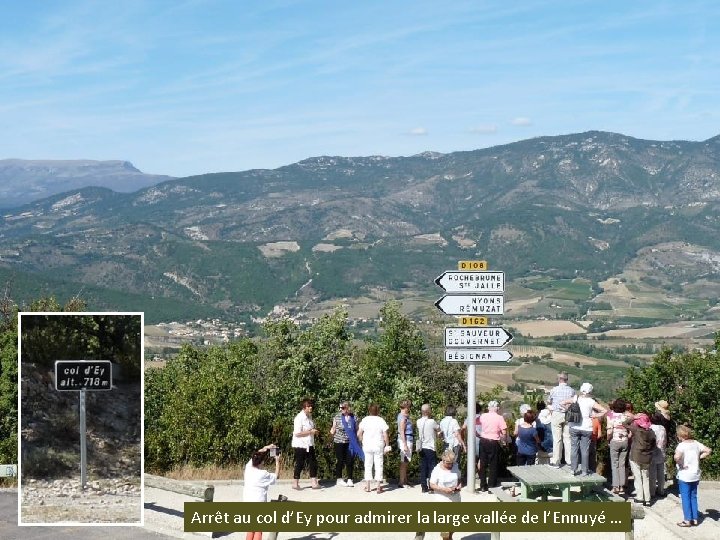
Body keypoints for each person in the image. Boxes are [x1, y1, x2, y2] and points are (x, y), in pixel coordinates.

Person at [562, 382, 606, 476]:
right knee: (585, 450)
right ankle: (585, 471)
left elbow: (562, 403)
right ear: (590, 391)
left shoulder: (575, 398)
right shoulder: (591, 401)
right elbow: (604, 411)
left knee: (574, 448)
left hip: (574, 426)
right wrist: (594, 415)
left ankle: (573, 469)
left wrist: (568, 410)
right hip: (587, 428)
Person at [674, 425, 712, 527]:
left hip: (685, 474)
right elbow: (708, 450)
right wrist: (699, 457)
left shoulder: (681, 446)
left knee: (685, 497)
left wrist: (680, 463)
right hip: (695, 474)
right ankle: (695, 519)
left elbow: (677, 457)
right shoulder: (696, 443)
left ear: (679, 435)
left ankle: (687, 520)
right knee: (693, 496)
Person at [243, 443, 281, 540]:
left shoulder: (248, 468)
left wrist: (266, 448)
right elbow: (276, 476)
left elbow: (257, 454)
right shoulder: (263, 474)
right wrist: (277, 461)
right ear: (260, 463)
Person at [429, 450, 462, 540]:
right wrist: (444, 489)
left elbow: (459, 478)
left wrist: (459, 485)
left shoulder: (455, 466)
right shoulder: (437, 469)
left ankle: (450, 537)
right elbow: (431, 484)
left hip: (455, 497)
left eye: (451, 463)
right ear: (443, 460)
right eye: (448, 463)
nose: (450, 465)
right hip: (442, 498)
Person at [358, 403, 390, 493]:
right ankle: (378, 487)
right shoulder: (381, 420)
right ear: (378, 411)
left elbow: (359, 433)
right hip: (378, 445)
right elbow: (385, 434)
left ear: (369, 410)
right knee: (378, 464)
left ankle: (368, 486)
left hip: (367, 445)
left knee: (367, 465)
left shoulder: (365, 420)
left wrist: (362, 441)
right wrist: (387, 445)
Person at [330, 401, 362, 487]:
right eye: (340, 408)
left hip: (350, 442)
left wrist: (359, 439)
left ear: (348, 408)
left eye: (343, 408)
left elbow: (357, 429)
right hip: (339, 441)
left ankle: (350, 479)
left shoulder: (354, 417)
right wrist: (332, 431)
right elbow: (333, 427)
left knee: (350, 460)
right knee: (340, 460)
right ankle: (339, 479)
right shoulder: (337, 417)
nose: (341, 410)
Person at [477, 400, 507, 492]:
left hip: (483, 440)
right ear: (497, 408)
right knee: (493, 464)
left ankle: (482, 485)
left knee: (483, 463)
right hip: (493, 441)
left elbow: (478, 424)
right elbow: (504, 431)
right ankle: (491, 486)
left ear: (489, 408)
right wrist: (504, 441)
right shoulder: (500, 418)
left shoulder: (483, 416)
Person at [547, 371, 575, 467]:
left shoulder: (554, 390)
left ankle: (556, 461)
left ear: (559, 379)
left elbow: (549, 402)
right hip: (568, 415)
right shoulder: (571, 391)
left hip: (557, 414)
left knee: (557, 439)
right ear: (567, 379)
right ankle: (570, 461)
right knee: (567, 438)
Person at [628, 412, 656, 506]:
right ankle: (647, 499)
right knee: (646, 477)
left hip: (636, 456)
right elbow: (654, 446)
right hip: (647, 457)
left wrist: (633, 417)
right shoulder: (652, 432)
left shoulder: (636, 430)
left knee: (637, 477)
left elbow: (624, 424)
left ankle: (640, 497)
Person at [291, 398, 320, 490]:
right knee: (300, 463)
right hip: (301, 444)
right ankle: (295, 483)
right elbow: (297, 433)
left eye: (311, 406)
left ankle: (314, 482)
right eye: (308, 406)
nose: (310, 407)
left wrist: (313, 432)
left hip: (309, 443)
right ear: (304, 407)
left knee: (313, 463)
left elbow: (310, 430)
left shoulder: (309, 417)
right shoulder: (299, 418)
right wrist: (310, 432)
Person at [606, 398, 630, 495]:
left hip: (615, 440)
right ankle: (622, 486)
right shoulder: (626, 416)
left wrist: (608, 439)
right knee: (622, 464)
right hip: (625, 441)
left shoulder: (611, 416)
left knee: (614, 464)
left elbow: (609, 431)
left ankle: (615, 486)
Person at [416, 403, 441, 493]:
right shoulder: (432, 422)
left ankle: (423, 487)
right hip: (430, 447)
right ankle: (431, 487)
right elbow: (438, 430)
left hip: (422, 447)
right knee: (432, 468)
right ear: (428, 411)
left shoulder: (418, 421)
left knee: (423, 467)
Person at [649, 412, 667, 498]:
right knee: (661, 472)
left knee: (652, 473)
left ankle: (652, 491)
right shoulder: (663, 428)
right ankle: (661, 490)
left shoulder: (650, 428)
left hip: (653, 452)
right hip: (662, 452)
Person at [397, 399, 414, 488]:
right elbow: (402, 431)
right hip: (405, 439)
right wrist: (405, 444)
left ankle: (405, 480)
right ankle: (401, 482)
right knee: (404, 462)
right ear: (406, 407)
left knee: (406, 461)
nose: (409, 408)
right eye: (409, 406)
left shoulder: (403, 416)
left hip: (408, 439)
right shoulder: (403, 418)